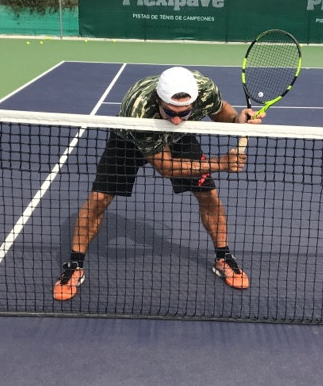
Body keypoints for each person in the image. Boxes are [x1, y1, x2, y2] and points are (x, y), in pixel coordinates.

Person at [54, 66, 264, 302]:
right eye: (170, 112)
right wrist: (220, 163)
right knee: (98, 200)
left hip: (178, 139)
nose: (176, 119)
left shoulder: (204, 89)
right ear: (157, 100)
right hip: (128, 140)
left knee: (209, 196)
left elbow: (219, 109)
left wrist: (237, 120)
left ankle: (223, 257)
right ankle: (74, 264)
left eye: (184, 113)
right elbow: (166, 167)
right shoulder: (140, 109)